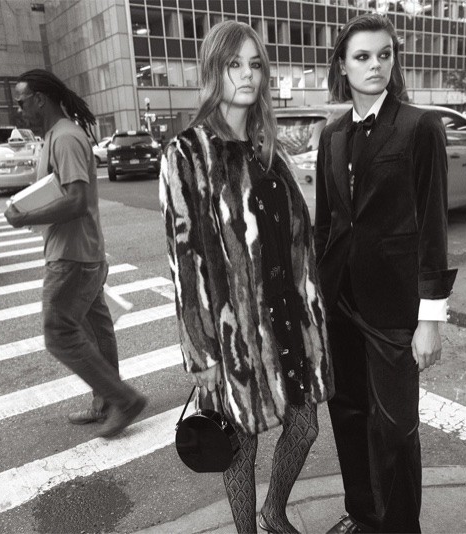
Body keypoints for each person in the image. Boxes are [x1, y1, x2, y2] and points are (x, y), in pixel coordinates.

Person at [159, 21, 333, 534]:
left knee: (304, 427)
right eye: (234, 64)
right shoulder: (188, 153)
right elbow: (184, 260)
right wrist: (201, 353)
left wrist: (314, 311)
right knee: (241, 443)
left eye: (256, 64)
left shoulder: (266, 147)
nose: (247, 74)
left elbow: (296, 238)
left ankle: (273, 510)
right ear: (213, 70)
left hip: (286, 318)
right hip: (233, 329)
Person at [315, 14, 457, 534]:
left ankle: (399, 527)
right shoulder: (332, 135)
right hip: (341, 304)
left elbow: (433, 225)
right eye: (362, 56)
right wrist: (317, 303)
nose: (375, 65)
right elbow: (327, 226)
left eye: (384, 54)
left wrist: (431, 319)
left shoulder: (420, 127)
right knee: (349, 417)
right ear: (342, 66)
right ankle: (363, 517)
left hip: (396, 309)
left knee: (396, 431)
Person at [4, 69, 147, 439]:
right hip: (82, 252)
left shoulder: (65, 138)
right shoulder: (55, 136)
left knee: (59, 333)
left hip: (72, 258)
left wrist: (23, 218)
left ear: (39, 99)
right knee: (97, 333)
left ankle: (124, 400)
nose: (19, 110)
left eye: (22, 102)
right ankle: (108, 403)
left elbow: (77, 201)